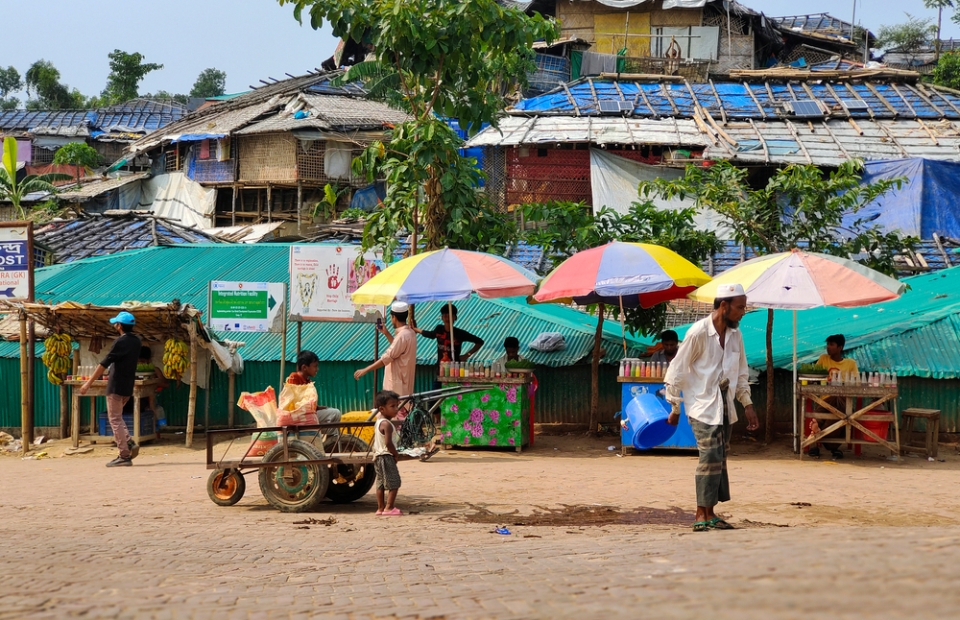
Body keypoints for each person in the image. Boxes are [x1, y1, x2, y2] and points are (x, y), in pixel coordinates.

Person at [663, 283, 759, 532]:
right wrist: (675, 407)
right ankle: (699, 513)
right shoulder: (697, 333)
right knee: (709, 457)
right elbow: (676, 370)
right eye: (740, 307)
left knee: (720, 459)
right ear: (724, 306)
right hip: (702, 405)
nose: (743, 312)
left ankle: (711, 513)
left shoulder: (736, 335)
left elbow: (741, 371)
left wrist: (746, 403)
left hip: (726, 405)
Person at [80, 311, 142, 467]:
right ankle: (129, 442)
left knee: (114, 419)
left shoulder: (120, 342)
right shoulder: (137, 341)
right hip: (127, 386)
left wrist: (88, 383)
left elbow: (104, 363)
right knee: (118, 418)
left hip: (116, 385)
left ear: (119, 326)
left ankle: (124, 455)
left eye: (116, 324)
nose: (115, 326)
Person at [354, 302, 418, 410]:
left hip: (397, 386)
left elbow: (386, 358)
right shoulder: (410, 333)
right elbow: (397, 350)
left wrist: (366, 370)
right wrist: (386, 333)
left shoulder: (402, 336)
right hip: (404, 384)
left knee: (395, 417)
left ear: (394, 317)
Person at [809, 334, 860, 460]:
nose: (828, 347)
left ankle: (817, 431)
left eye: (831, 345)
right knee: (840, 413)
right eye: (827, 344)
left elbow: (857, 383)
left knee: (839, 400)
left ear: (840, 347)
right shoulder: (823, 359)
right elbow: (814, 377)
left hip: (843, 403)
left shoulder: (850, 363)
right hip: (824, 402)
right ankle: (832, 447)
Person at [413, 304, 484, 386]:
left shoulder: (459, 333)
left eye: (450, 315)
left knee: (450, 396)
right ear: (442, 317)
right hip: (440, 370)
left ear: (455, 317)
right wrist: (416, 329)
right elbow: (430, 334)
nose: (447, 317)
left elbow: (479, 342)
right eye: (445, 315)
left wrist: (467, 355)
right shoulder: (439, 329)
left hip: (454, 372)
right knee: (435, 396)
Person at [287, 350, 342, 426]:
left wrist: (318, 407)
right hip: (300, 416)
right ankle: (332, 437)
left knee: (331, 411)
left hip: (307, 414)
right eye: (315, 366)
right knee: (335, 413)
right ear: (304, 367)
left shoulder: (308, 381)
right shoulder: (294, 378)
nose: (317, 369)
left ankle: (330, 436)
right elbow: (295, 403)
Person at [372, 390, 403, 516]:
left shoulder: (379, 421)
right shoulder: (387, 424)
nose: (396, 409)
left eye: (397, 405)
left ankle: (380, 508)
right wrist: (395, 454)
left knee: (380, 483)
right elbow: (388, 443)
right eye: (392, 406)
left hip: (378, 457)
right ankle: (389, 508)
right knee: (394, 482)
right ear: (382, 409)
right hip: (386, 456)